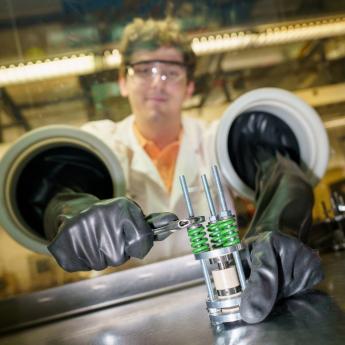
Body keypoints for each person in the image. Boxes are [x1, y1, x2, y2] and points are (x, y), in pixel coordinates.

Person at [44, 17, 323, 324]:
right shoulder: (98, 145)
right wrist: (68, 210)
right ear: (123, 81)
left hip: (225, 306)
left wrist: (281, 222)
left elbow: (278, 174)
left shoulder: (218, 141)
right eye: (144, 69)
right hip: (120, 317)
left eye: (171, 72)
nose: (157, 82)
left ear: (189, 86)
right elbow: (55, 188)